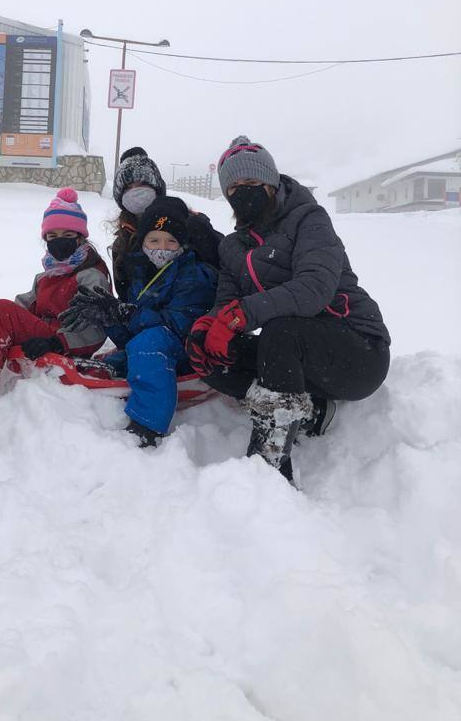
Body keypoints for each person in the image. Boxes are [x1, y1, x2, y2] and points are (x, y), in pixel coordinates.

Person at [187, 135, 391, 484]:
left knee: (282, 332)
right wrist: (209, 326)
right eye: (233, 186)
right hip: (297, 355)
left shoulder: (308, 220)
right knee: (208, 353)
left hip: (357, 350)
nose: (242, 192)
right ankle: (311, 410)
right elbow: (226, 301)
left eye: (251, 183)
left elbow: (313, 289)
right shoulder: (234, 246)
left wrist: (241, 315)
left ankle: (269, 466)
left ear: (270, 183)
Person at [61, 196, 217, 447]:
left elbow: (177, 325)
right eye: (154, 240)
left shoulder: (195, 274)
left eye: (170, 241)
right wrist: (110, 318)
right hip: (160, 350)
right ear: (143, 242)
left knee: (150, 342)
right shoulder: (141, 273)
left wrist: (129, 314)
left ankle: (148, 424)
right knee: (122, 355)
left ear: (182, 244)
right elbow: (131, 335)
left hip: (190, 350)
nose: (161, 248)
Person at [0, 188, 110, 400]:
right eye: (52, 236)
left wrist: (59, 343)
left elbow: (95, 329)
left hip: (65, 340)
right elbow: (22, 308)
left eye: (67, 235)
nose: (58, 241)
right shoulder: (48, 275)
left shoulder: (90, 276)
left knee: (2, 310)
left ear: (80, 238)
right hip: (45, 332)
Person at [110, 146, 222, 301]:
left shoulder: (191, 225)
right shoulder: (123, 243)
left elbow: (222, 275)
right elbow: (126, 296)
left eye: (143, 183)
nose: (136, 191)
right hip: (144, 322)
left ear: (157, 188)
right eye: (128, 187)